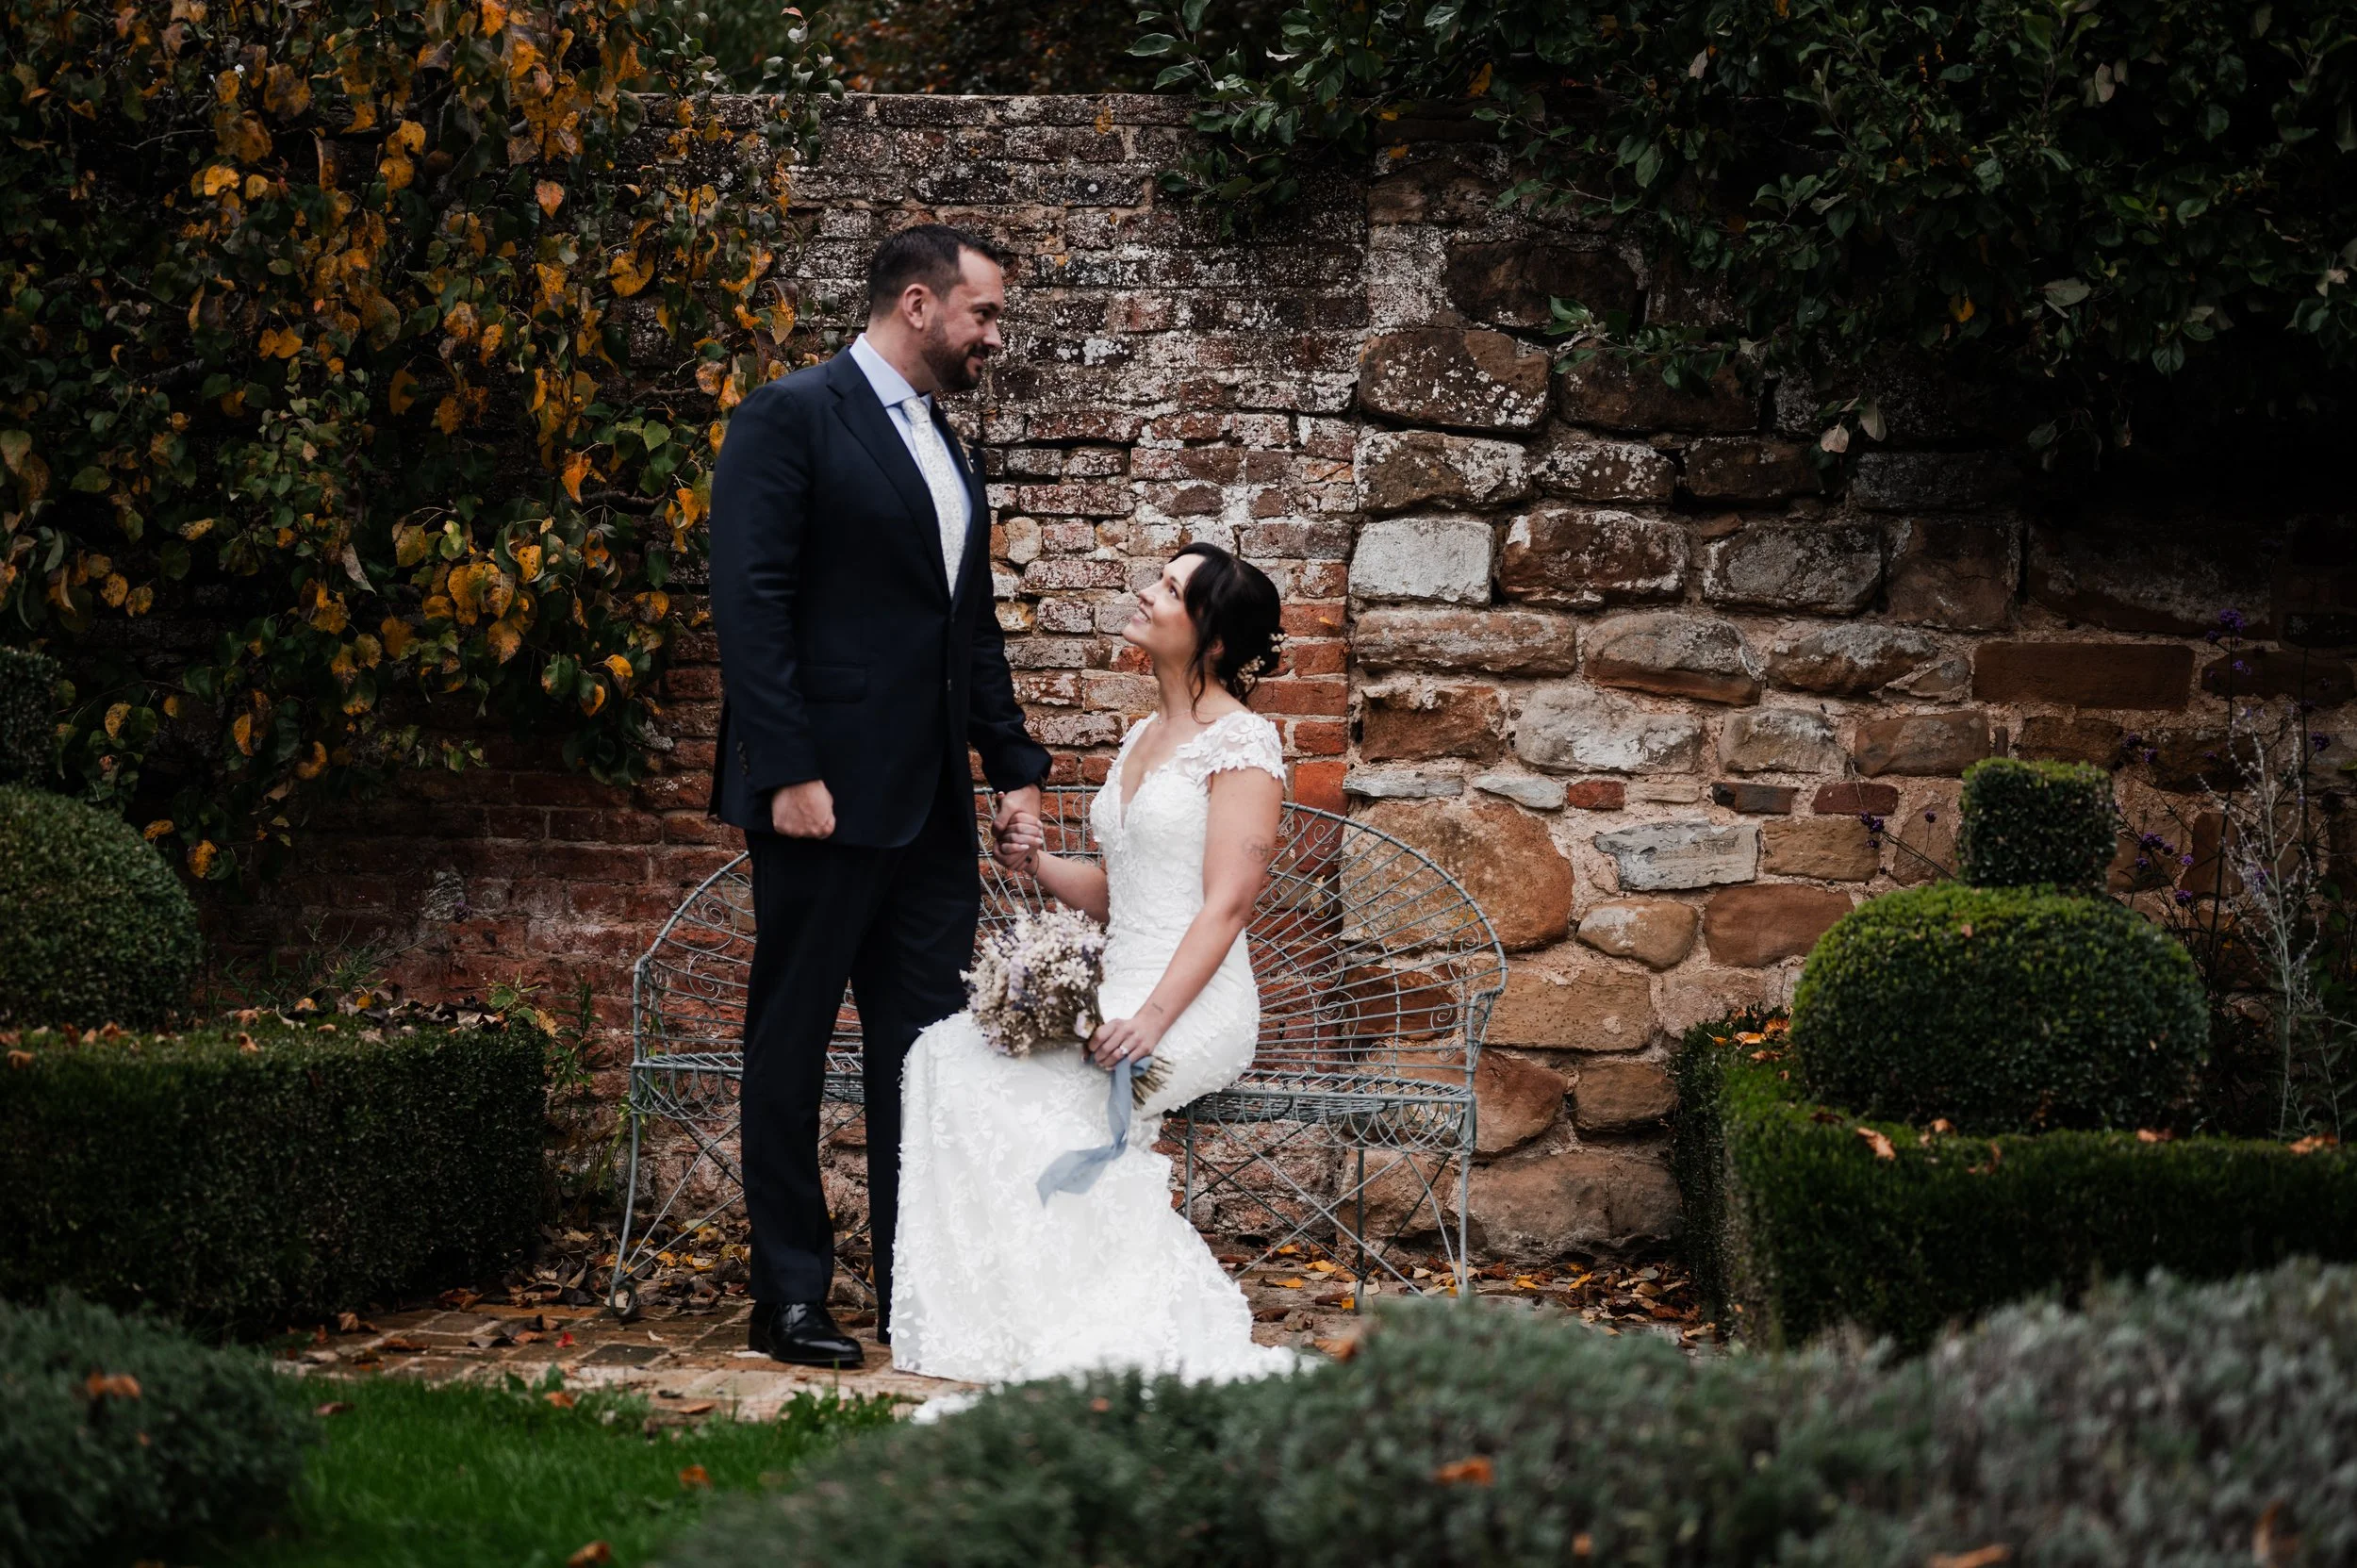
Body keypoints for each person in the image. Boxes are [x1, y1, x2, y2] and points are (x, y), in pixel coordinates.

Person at [705, 223, 1050, 1368]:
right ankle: (791, 1297)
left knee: (926, 1058)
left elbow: (969, 630)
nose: (995, 337)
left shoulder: (952, 450)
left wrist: (1012, 773)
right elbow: (750, 607)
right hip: (823, 802)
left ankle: (918, 1284)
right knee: (791, 1044)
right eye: (984, 315)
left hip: (933, 818)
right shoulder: (788, 418)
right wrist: (789, 769)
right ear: (918, 303)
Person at [891, 542, 1301, 1389]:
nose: (1147, 593)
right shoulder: (1144, 737)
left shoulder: (1244, 744)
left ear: (1213, 638)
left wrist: (1148, 1022)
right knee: (946, 1056)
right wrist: (1034, 863)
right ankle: (1001, 1314)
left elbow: (1224, 907)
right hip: (1118, 982)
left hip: (1193, 1003)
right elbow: (1120, 892)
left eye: (1172, 589)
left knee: (1056, 1094)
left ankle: (1109, 1319)